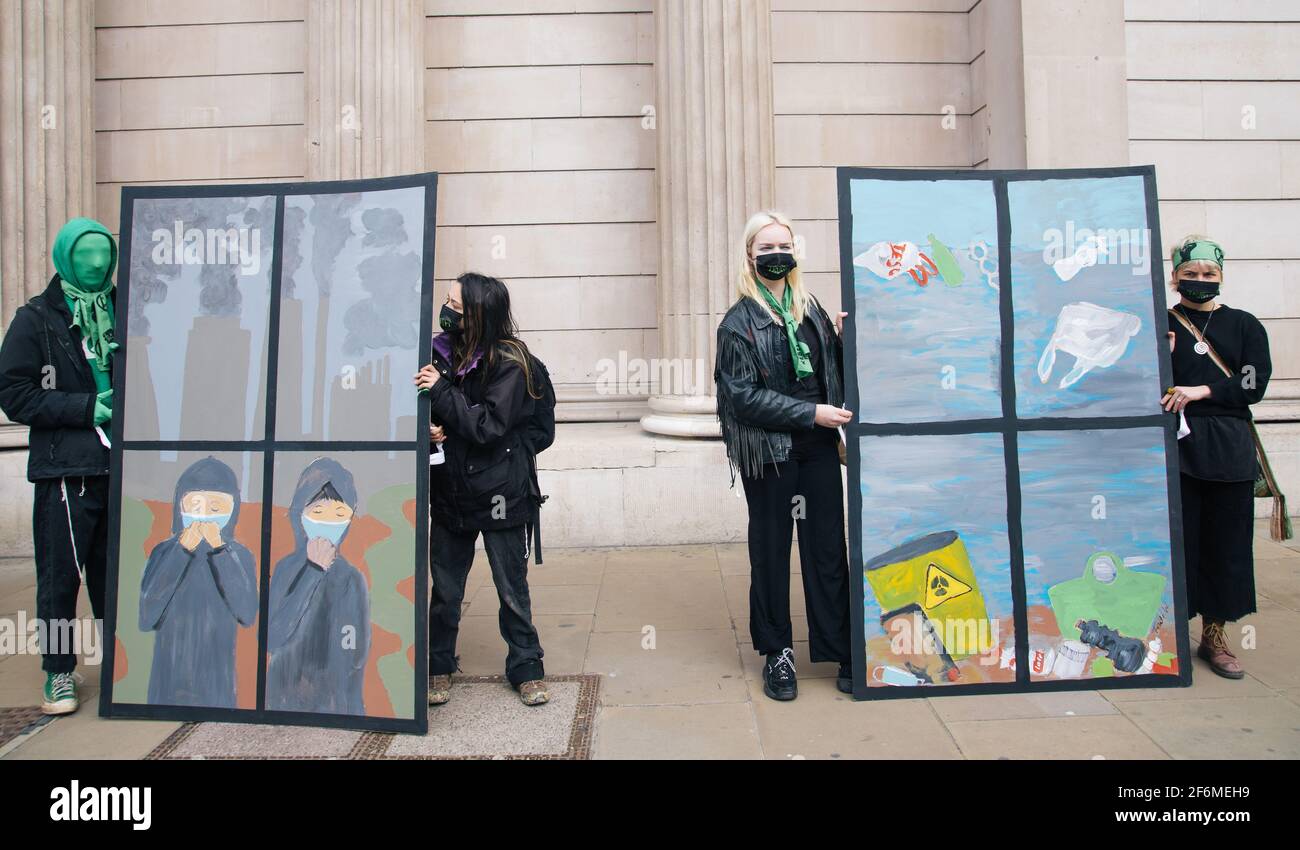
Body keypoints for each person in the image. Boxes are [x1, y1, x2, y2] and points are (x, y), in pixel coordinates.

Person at [714, 210, 855, 701]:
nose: (776, 256)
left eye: (783, 247)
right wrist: (809, 413)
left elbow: (827, 374)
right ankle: (778, 653)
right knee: (771, 555)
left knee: (827, 550)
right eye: (765, 249)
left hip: (817, 449)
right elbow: (743, 398)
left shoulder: (810, 308)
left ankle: (842, 649)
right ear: (750, 258)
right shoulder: (738, 323)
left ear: (795, 251)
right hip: (771, 455)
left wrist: (841, 338)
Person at [0, 217, 118, 715]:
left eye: (104, 253)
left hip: (125, 470)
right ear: (66, 256)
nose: (97, 263)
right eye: (87, 253)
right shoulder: (35, 318)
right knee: (59, 579)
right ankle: (58, 672)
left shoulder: (128, 309)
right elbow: (13, 394)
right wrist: (83, 407)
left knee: (117, 577)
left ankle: (125, 665)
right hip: (65, 472)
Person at [415, 272, 549, 706]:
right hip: (450, 490)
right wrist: (431, 432)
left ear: (478, 314)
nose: (446, 310)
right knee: (446, 587)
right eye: (446, 301)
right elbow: (434, 413)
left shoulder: (510, 362)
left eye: (455, 304)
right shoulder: (437, 354)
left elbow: (488, 424)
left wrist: (441, 393)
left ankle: (526, 666)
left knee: (511, 586)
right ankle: (438, 663)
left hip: (500, 493)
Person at [1160, 235, 1272, 679]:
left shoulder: (1244, 325)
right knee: (1178, 540)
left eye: (1209, 274)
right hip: (1179, 446)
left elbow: (1253, 383)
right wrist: (1163, 359)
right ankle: (1168, 632)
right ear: (1175, 277)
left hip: (1227, 445)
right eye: (1191, 274)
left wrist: (1203, 390)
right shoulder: (1162, 322)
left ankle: (1215, 634)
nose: (1200, 280)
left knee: (1225, 544)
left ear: (1221, 276)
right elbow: (1138, 381)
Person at [139, 456, 258, 707]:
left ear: (232, 509)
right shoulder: (164, 552)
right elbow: (147, 615)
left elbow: (247, 613)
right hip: (168, 675)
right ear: (180, 507)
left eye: (215, 509)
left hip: (218, 678)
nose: (203, 516)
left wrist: (220, 550)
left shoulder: (239, 555)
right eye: (194, 506)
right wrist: (182, 550)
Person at [266, 457, 371, 714]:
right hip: (285, 693)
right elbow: (273, 635)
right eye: (318, 512)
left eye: (339, 514)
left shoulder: (351, 578)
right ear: (300, 514)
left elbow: (356, 647)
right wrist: (313, 572)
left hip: (339, 698)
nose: (328, 522)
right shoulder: (286, 569)